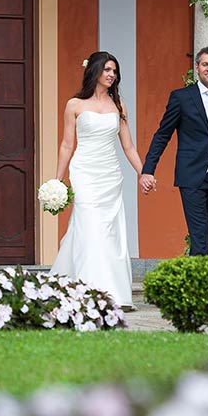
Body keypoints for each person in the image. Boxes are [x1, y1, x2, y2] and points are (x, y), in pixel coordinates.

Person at [50, 51, 144, 307]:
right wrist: (58, 180)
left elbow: (128, 146)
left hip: (110, 175)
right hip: (84, 173)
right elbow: (67, 145)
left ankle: (112, 293)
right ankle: (87, 292)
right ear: (94, 71)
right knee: (90, 225)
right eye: (107, 70)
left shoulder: (119, 107)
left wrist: (142, 172)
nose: (112, 75)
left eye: (115, 71)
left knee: (109, 232)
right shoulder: (75, 105)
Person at [139, 46, 208, 255]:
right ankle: (200, 283)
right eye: (205, 64)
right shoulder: (181, 98)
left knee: (206, 234)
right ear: (197, 68)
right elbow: (162, 135)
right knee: (199, 233)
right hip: (191, 174)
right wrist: (148, 170)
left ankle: (194, 279)